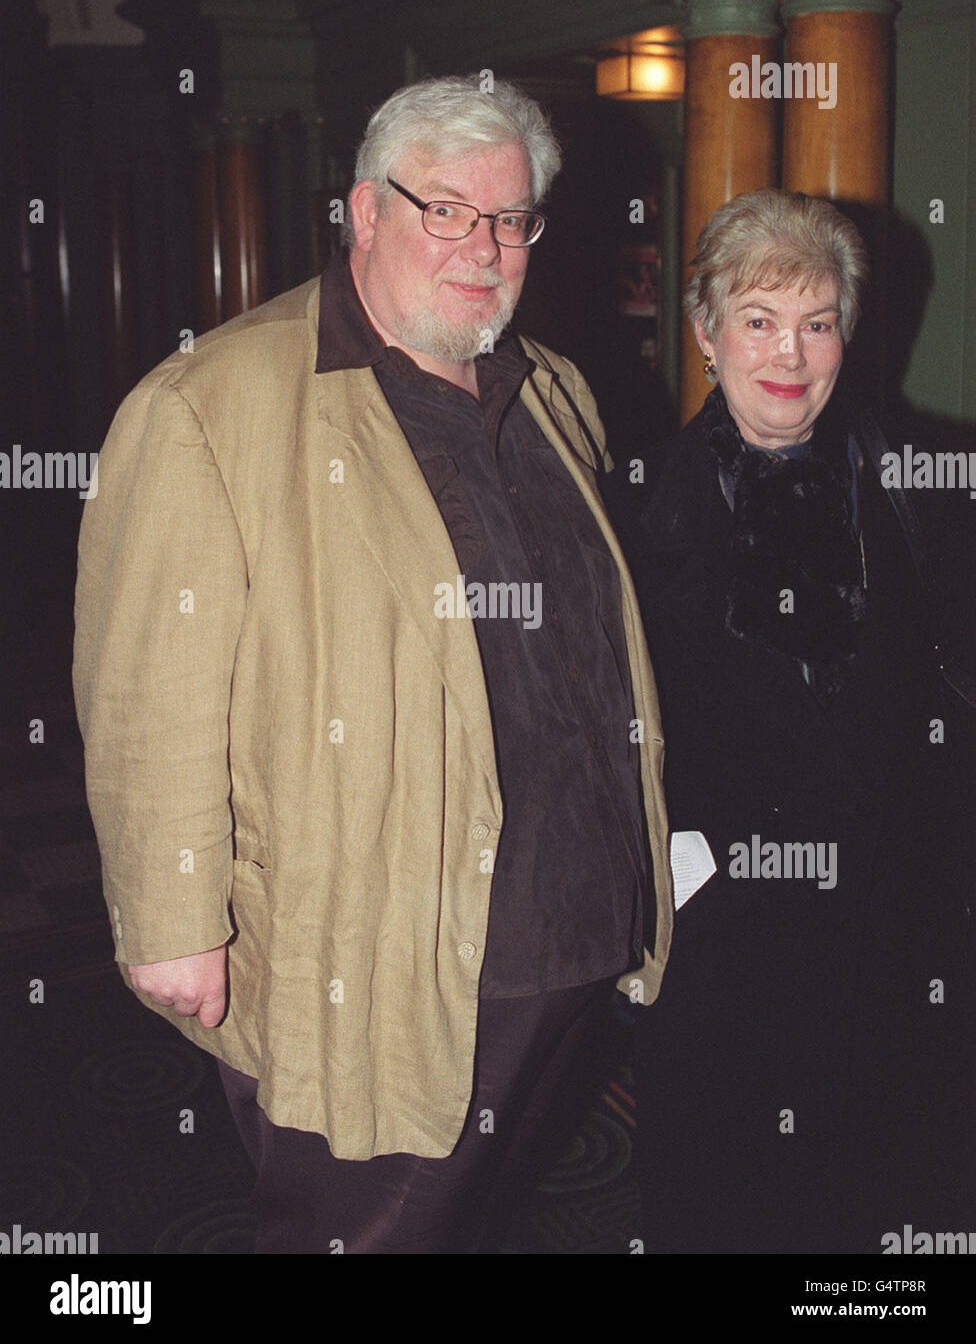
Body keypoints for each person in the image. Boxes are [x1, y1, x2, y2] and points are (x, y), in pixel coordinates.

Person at [72, 75, 673, 1255]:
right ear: (361, 210)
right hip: (380, 945)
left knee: (479, 1207)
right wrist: (169, 913)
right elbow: (147, 691)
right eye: (444, 209)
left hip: (574, 919)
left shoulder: (555, 390)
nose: (483, 247)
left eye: (511, 219)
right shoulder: (210, 407)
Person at [603, 188, 975, 1254]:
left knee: (883, 1192)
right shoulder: (631, 503)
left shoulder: (924, 489)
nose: (789, 352)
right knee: (721, 1190)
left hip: (889, 932)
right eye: (758, 320)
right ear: (706, 330)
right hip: (722, 935)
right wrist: (672, 873)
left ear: (847, 337)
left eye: (816, 323)